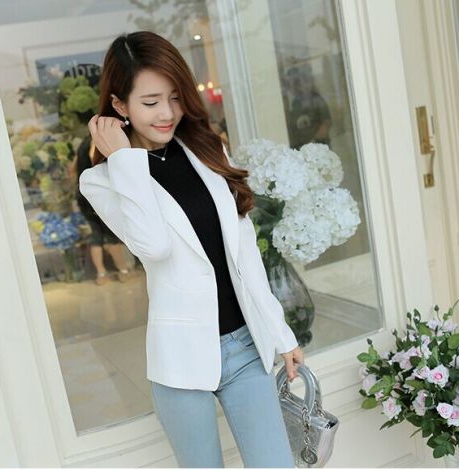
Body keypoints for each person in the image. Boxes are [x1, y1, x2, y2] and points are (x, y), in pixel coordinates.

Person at [78, 31, 304, 468]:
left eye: (175, 97)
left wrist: (281, 333)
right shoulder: (103, 180)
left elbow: (245, 254)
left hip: (244, 347)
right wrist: (124, 159)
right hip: (180, 362)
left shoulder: (207, 149)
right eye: (150, 102)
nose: (167, 113)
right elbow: (154, 246)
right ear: (119, 106)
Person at [75, 133, 134, 285]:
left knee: (97, 236)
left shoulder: (83, 146)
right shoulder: (95, 144)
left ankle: (101, 273)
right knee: (111, 236)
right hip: (98, 194)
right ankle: (123, 271)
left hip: (85, 195)